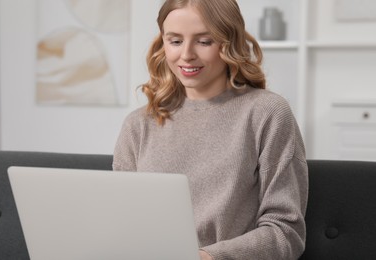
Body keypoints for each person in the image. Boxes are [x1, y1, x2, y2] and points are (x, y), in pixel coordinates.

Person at [112, 0, 308, 259]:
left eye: (204, 42)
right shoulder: (138, 125)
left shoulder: (268, 113)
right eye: (175, 41)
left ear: (230, 43)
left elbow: (286, 232)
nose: (186, 55)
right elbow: (122, 221)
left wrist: (206, 257)